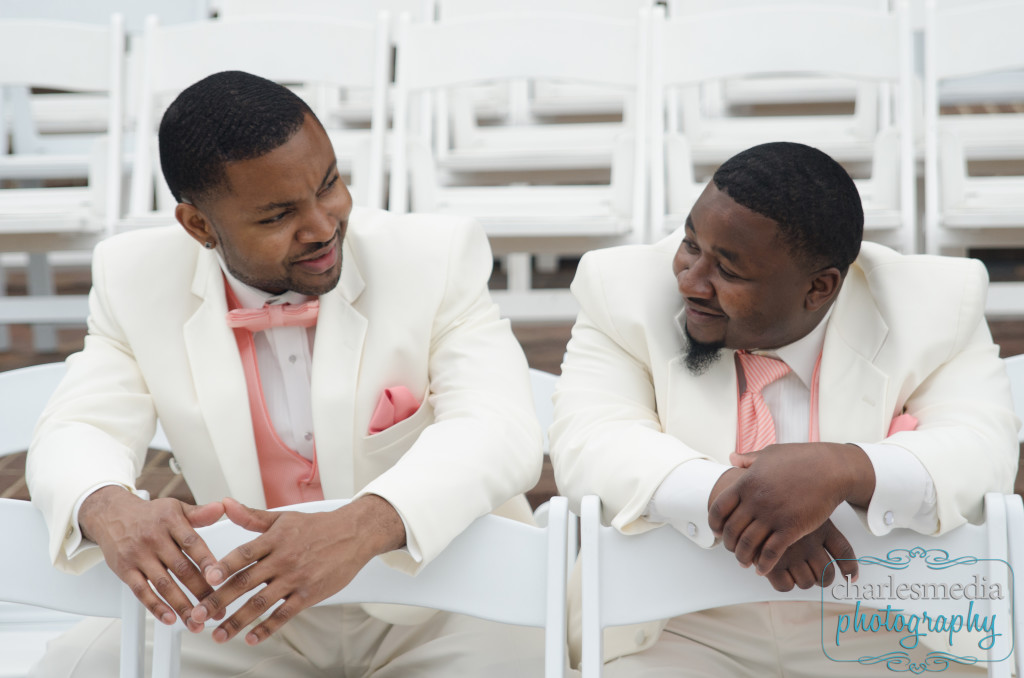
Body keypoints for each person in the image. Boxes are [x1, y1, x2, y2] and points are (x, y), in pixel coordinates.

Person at [27, 70, 546, 677]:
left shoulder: (434, 254)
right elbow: (79, 425)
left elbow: (501, 429)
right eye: (278, 216)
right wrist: (106, 502)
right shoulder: (133, 275)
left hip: (447, 596)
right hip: (245, 605)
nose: (324, 226)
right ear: (198, 226)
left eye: (329, 185)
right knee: (76, 668)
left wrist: (363, 525)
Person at [549, 141, 1018, 676]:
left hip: (884, 623)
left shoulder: (936, 302)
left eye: (728, 270)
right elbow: (590, 442)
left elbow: (985, 451)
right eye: (689, 244)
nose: (689, 280)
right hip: (673, 626)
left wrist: (844, 469)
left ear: (820, 288)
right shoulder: (621, 291)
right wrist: (747, 500)